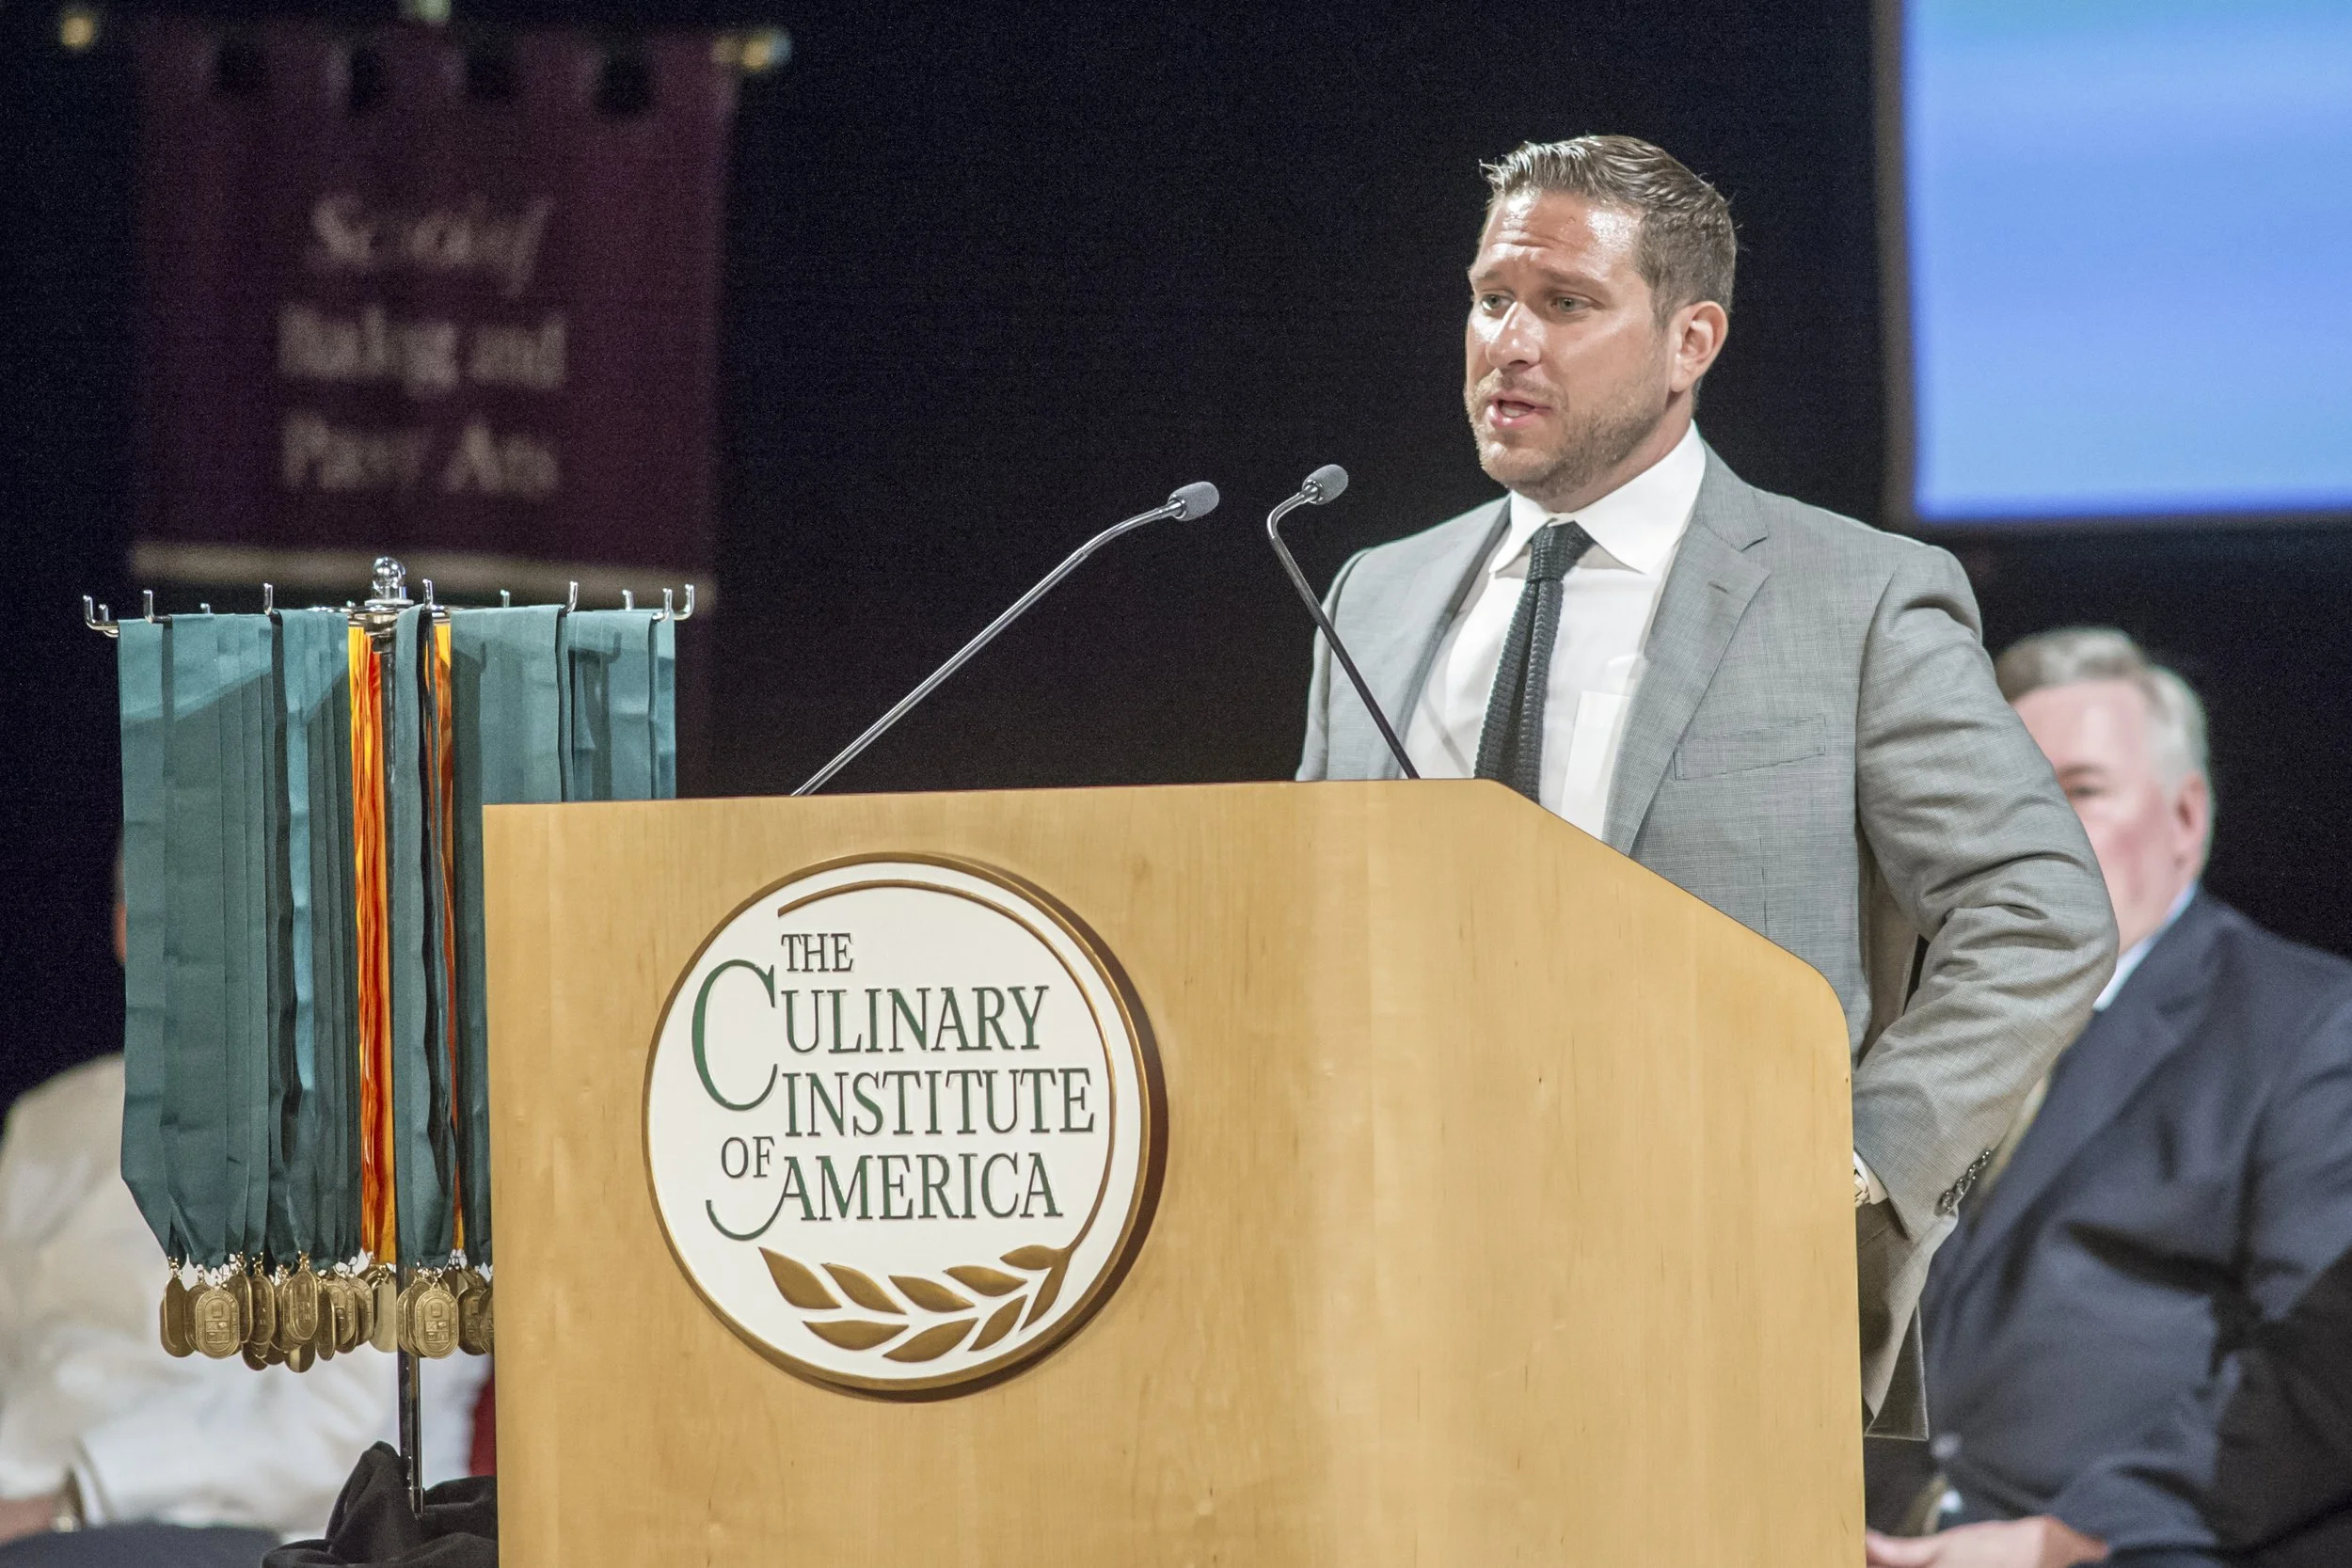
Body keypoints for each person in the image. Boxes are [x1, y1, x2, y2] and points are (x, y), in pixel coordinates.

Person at [1294, 134, 2116, 1436]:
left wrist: (1852, 1160)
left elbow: (2041, 912)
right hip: (1396, 1286)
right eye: (1491, 296)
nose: (1510, 341)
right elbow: (1312, 927)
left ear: (1693, 341)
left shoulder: (1853, 595)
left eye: (1567, 304)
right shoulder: (1377, 592)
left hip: (1715, 1303)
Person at [1861, 629, 2352, 1567]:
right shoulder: (1910, 1030)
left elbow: (2323, 1366)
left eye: (2079, 790)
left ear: (2183, 817)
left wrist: (2065, 1538)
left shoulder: (2306, 1025)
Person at [0, 857, 486, 1563]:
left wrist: (75, 1498)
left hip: (258, 1529)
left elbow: (333, 1430)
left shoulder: (373, 1128)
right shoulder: (50, 1124)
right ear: (125, 927)